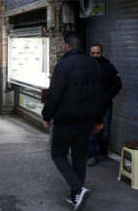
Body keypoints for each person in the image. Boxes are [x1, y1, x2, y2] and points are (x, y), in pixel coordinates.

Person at [42, 31, 104, 209]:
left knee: (58, 155)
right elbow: (98, 95)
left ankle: (78, 188)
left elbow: (54, 95)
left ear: (67, 46)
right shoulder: (94, 65)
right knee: (79, 157)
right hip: (86, 121)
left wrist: (47, 115)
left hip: (65, 120)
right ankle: (75, 196)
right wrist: (98, 119)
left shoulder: (63, 65)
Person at [87, 44, 122, 167]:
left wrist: (108, 95)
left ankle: (102, 152)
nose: (95, 55)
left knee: (105, 129)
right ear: (90, 53)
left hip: (105, 105)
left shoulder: (109, 67)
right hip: (90, 105)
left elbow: (118, 84)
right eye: (93, 53)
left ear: (101, 53)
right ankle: (92, 155)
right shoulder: (85, 67)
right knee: (91, 130)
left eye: (97, 53)